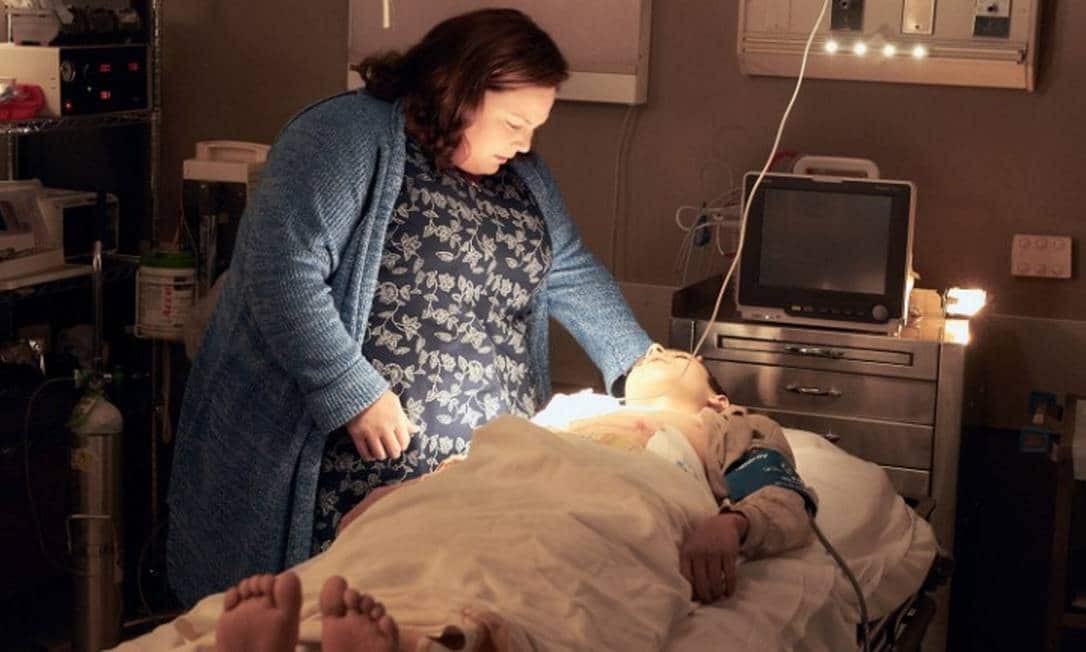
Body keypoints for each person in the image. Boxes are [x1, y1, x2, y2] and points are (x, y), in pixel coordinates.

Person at [167, 8, 654, 606]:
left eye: (535, 128)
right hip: (352, 474)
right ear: (459, 91)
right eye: (514, 123)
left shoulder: (522, 175)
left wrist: (643, 366)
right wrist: (351, 390)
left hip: (477, 485)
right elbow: (280, 270)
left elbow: (571, 271)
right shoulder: (344, 135)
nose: (525, 143)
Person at [199, 345, 816, 652]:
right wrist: (413, 491)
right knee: (398, 547)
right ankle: (321, 632)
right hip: (489, 486)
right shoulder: (573, 410)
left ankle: (441, 635)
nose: (656, 352)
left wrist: (731, 525)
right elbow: (492, 458)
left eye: (678, 354)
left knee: (543, 560)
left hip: (616, 500)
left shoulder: (726, 425)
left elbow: (782, 498)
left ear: (715, 397)